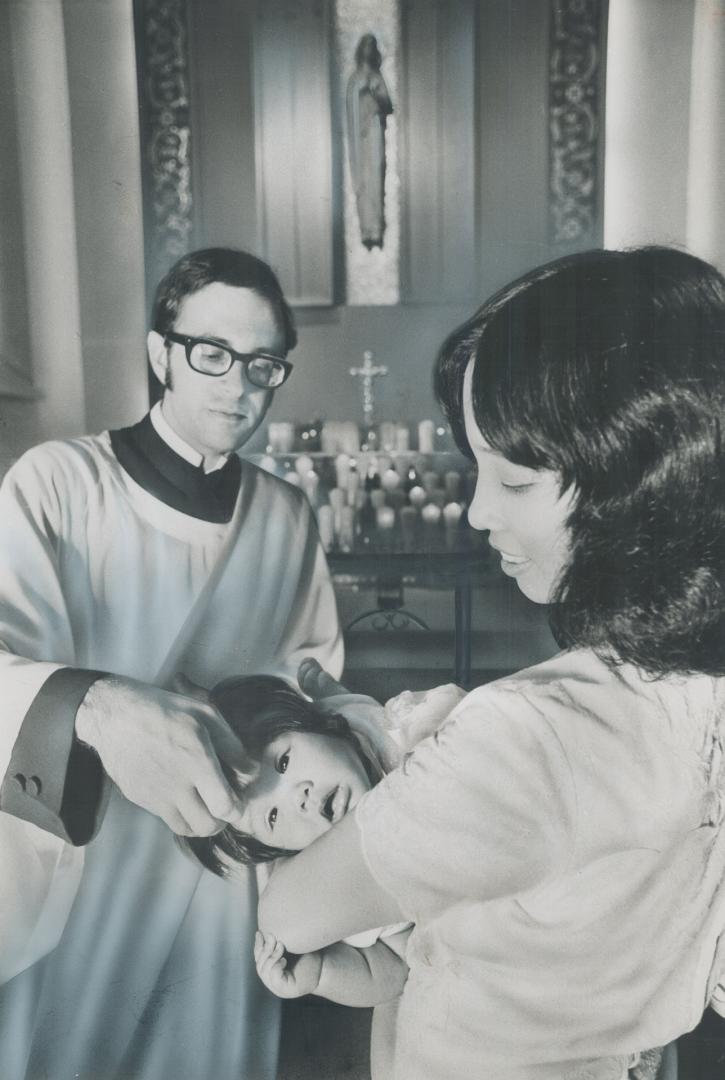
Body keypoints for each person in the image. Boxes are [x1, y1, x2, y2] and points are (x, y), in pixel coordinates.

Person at [259, 246, 725, 1080]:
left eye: (510, 481)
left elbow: (293, 910)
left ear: (633, 487)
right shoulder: (701, 692)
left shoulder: (529, 733)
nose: (476, 511)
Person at [0, 247, 343, 1080]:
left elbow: (317, 682)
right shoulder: (59, 484)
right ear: (160, 354)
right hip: (84, 864)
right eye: (211, 355)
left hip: (224, 875)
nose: (238, 384)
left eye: (262, 365)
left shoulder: (285, 515)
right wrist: (102, 707)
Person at [181, 670, 439, 1078]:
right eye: (272, 815)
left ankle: (327, 693)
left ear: (310, 724)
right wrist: (320, 973)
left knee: (351, 706)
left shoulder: (401, 733)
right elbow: (391, 972)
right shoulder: (341, 876)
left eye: (283, 761)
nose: (298, 797)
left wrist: (330, 694)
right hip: (450, 936)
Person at [347, 33, 393, 250]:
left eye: (372, 46)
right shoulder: (355, 78)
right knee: (363, 180)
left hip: (375, 132)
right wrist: (361, 89)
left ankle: (376, 228)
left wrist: (374, 91)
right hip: (360, 136)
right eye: (366, 46)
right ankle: (366, 229)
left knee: (376, 178)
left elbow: (388, 106)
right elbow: (351, 108)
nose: (369, 50)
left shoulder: (377, 77)